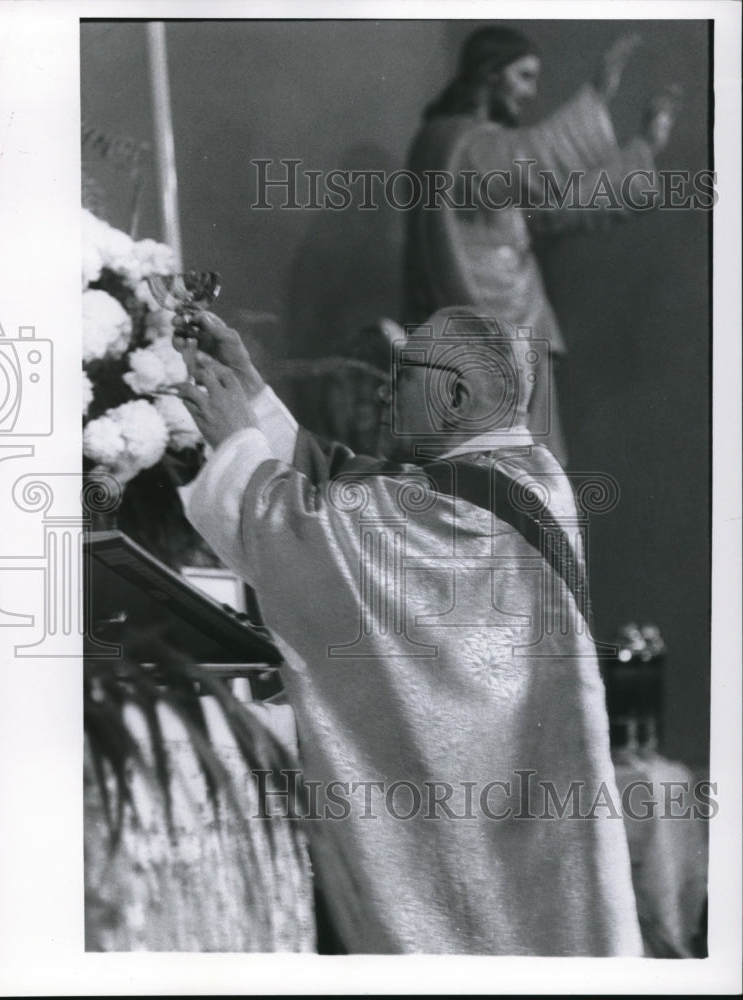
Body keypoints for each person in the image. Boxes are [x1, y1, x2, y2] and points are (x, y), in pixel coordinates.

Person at [172, 306, 643, 955]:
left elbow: (315, 538)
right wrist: (249, 391)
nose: (384, 389)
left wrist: (237, 443)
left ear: (456, 393)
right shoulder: (509, 475)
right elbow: (357, 495)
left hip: (490, 844)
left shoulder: (474, 505)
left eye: (403, 372)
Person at [403, 26, 679, 464]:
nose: (531, 93)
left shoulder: (468, 146)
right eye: (524, 76)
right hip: (489, 330)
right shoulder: (461, 144)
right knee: (504, 472)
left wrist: (642, 148)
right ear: (491, 75)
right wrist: (597, 97)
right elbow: (532, 165)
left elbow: (552, 208)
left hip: (507, 326)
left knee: (523, 469)